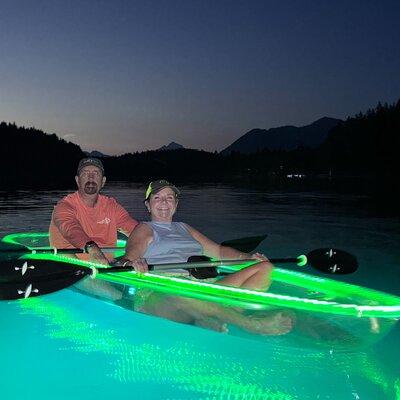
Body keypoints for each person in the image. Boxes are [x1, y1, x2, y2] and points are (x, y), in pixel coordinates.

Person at [120, 179, 293, 335]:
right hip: (162, 293)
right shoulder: (144, 229)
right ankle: (251, 325)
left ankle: (211, 316)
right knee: (184, 291)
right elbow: (128, 258)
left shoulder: (185, 228)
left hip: (201, 286)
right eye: (157, 197)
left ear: (176, 204)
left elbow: (218, 251)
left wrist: (247, 257)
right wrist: (133, 263)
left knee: (264, 268)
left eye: (170, 197)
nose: (164, 202)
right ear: (148, 205)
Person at [49, 157, 139, 299]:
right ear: (77, 180)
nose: (91, 177)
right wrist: (91, 247)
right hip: (74, 266)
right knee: (126, 299)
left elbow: (137, 230)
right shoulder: (64, 207)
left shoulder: (112, 206)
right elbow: (70, 228)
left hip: (108, 266)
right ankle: (122, 300)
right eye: (85, 173)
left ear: (103, 181)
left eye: (96, 173)